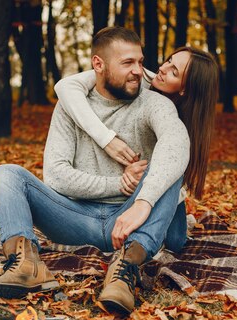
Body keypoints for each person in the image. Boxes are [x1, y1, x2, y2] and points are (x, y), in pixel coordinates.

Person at [0, 27, 215, 316]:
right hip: (76, 217)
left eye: (141, 63)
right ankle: (25, 265)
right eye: (127, 63)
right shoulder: (72, 106)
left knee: (170, 166)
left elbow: (177, 143)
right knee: (7, 173)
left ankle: (125, 270)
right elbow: (55, 176)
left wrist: (141, 203)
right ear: (98, 65)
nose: (140, 72)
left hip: (130, 224)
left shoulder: (156, 102)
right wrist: (119, 184)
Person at [54, 45, 219, 253]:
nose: (163, 68)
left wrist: (146, 187)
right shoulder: (140, 79)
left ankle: (143, 234)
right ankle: (135, 248)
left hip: (157, 190)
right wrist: (106, 139)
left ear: (186, 88)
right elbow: (65, 87)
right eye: (168, 60)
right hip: (126, 197)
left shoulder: (188, 122)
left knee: (175, 241)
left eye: (174, 71)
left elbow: (173, 168)